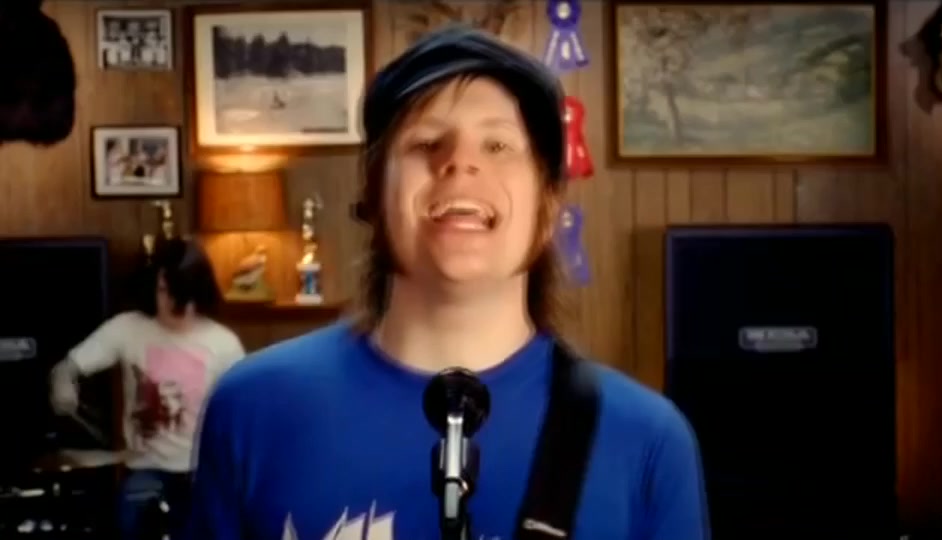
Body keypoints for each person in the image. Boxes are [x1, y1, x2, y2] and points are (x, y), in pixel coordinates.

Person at [186, 26, 709, 540]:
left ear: (549, 207)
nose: (460, 162)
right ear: (373, 194)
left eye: (498, 144)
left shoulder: (648, 440)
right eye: (426, 142)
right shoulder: (252, 407)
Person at [50, 237, 246, 540]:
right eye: (163, 291)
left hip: (203, 471)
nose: (170, 304)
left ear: (198, 293)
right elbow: (66, 367)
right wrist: (62, 383)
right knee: (130, 520)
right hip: (145, 469)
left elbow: (244, 416)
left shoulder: (224, 344)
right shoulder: (127, 328)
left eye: (180, 295)